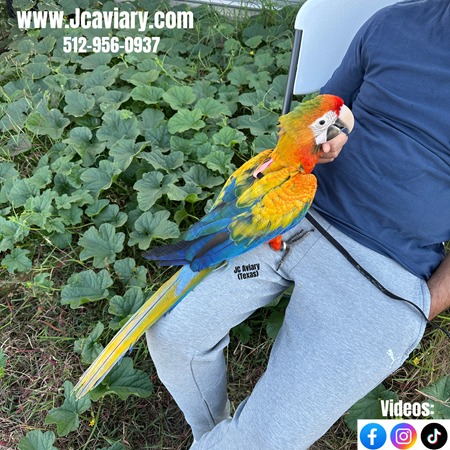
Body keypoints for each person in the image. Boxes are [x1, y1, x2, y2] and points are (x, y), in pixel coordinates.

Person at [146, 0, 450, 448]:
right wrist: (318, 144)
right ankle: (212, 433)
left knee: (264, 441)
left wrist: (426, 303)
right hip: (286, 219)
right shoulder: (395, 23)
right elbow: (316, 118)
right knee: (173, 334)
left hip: (387, 271)